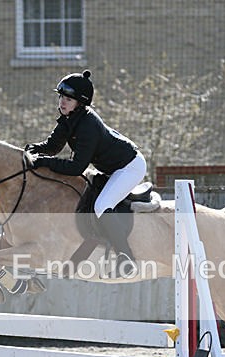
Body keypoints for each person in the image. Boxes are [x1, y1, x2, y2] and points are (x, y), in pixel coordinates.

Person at [25, 70, 146, 278]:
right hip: (111, 167)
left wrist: (43, 162)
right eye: (61, 97)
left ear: (79, 103)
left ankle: (126, 259)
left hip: (130, 167)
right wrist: (31, 150)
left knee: (101, 206)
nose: (62, 102)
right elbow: (53, 146)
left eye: (68, 99)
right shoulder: (69, 118)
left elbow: (75, 168)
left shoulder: (88, 125)